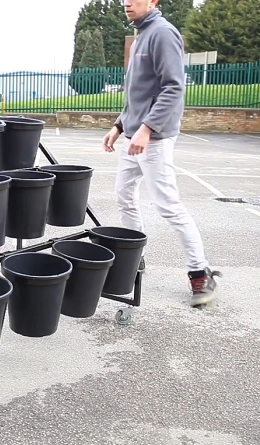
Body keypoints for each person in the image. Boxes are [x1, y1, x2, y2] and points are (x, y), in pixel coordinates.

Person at [102, 0, 222, 308]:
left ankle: (200, 274)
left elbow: (173, 87)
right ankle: (133, 259)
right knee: (124, 195)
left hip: (152, 139)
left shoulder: (163, 33)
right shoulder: (142, 34)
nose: (127, 2)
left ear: (153, 0)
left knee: (168, 206)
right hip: (133, 135)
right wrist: (119, 125)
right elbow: (137, 93)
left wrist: (147, 129)